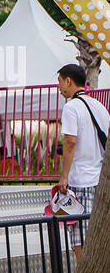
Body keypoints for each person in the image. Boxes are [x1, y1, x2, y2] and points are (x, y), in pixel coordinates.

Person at [56, 63, 109, 259]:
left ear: (68, 81)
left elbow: (70, 142)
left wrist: (64, 176)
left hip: (82, 180)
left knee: (80, 238)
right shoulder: (99, 106)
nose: (60, 89)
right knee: (100, 234)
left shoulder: (71, 107)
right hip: (101, 180)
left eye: (60, 83)